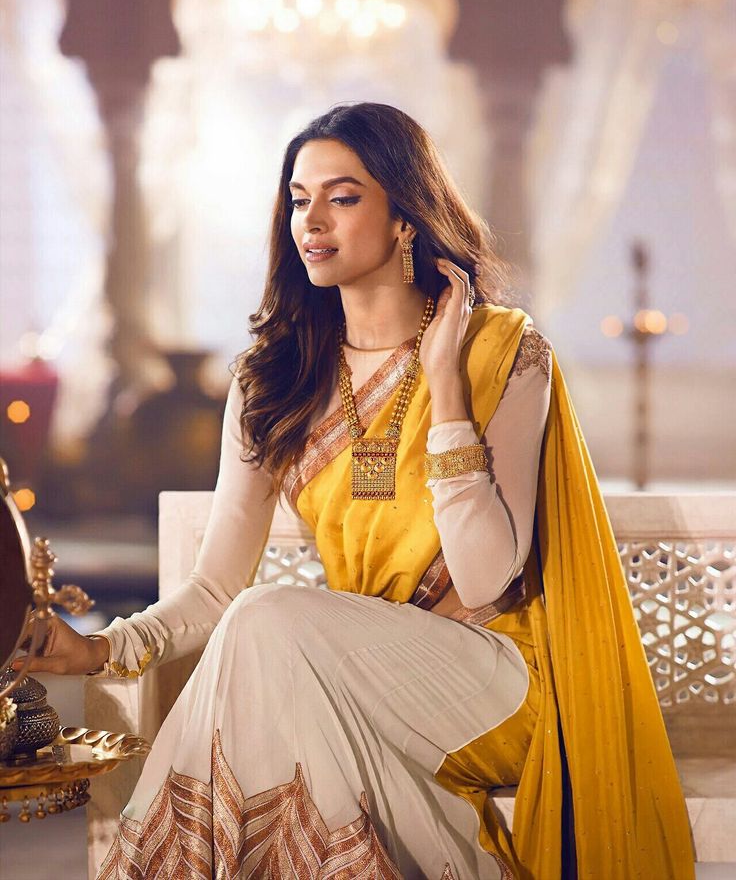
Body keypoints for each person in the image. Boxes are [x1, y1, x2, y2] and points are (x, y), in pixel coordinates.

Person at [17, 103, 694, 879]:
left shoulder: (503, 352)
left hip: (496, 683)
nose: (313, 220)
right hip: (346, 677)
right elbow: (213, 587)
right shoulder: (272, 380)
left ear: (406, 213)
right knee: (267, 650)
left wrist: (444, 386)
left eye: (342, 197)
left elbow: (484, 580)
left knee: (269, 623)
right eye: (300, 199)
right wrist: (105, 647)